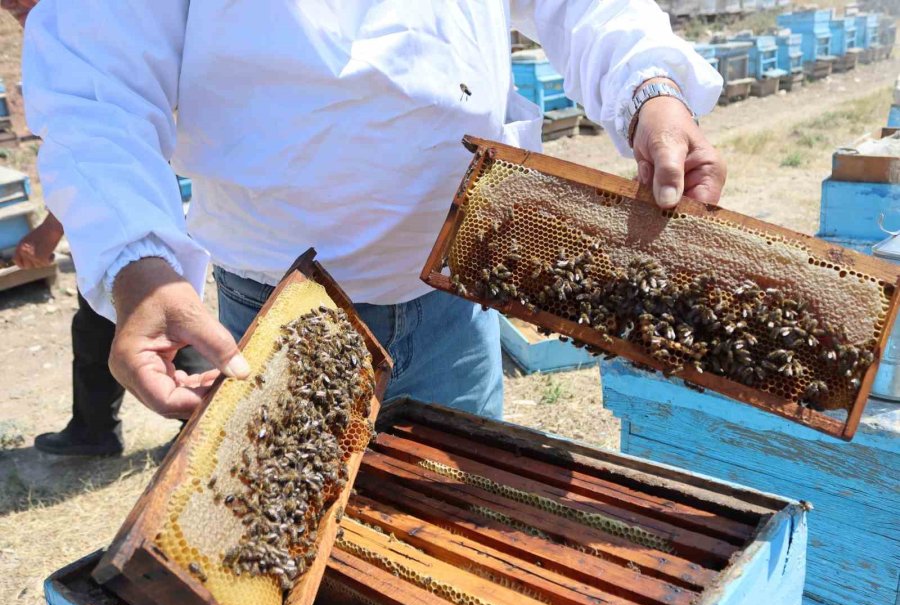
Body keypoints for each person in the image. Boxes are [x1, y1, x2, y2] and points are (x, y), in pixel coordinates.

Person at [22, 1, 726, 422]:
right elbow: (95, 79)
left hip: (455, 296)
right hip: (271, 317)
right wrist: (135, 261)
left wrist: (651, 87)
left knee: (466, 552)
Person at [5, 0, 207, 456]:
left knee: (161, 308)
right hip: (110, 210)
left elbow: (112, 144)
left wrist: (51, 229)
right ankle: (96, 428)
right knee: (106, 319)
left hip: (136, 205)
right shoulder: (52, 35)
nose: (14, 6)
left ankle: (196, 418)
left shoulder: (108, 28)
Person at [13, 213, 208, 456]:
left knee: (164, 326)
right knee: (99, 328)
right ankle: (94, 429)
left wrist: (51, 228)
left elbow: (93, 176)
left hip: (129, 228)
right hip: (118, 229)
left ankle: (207, 418)